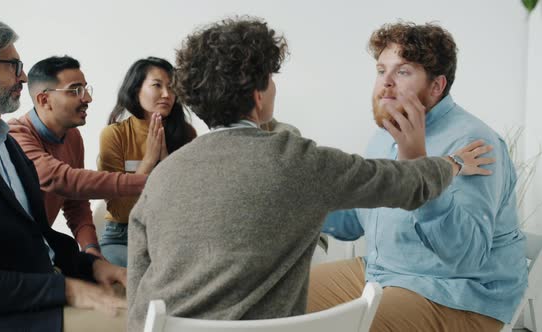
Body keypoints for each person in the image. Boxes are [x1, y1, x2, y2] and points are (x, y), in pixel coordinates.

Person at [125, 17, 494, 331]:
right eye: (270, 78)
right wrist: (453, 163)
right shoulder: (295, 159)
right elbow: (406, 182)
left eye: (401, 72)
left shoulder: (163, 175)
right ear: (258, 95)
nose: (386, 83)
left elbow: (138, 284)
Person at [309, 22, 528, 332]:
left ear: (437, 86)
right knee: (277, 298)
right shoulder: (384, 136)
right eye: (381, 70)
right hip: (381, 274)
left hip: (455, 295)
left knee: (342, 328)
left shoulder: (475, 142)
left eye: (402, 72)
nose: (386, 83)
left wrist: (419, 169)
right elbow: (358, 219)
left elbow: (466, 257)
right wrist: (299, 200)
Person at [0, 15, 126, 332]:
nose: (23, 77)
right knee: (146, 322)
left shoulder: (4, 141)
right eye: (13, 66)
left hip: (47, 294)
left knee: (150, 303)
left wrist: (92, 266)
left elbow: (40, 238)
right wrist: (70, 290)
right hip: (16, 318)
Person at [9, 56, 149, 258]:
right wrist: (149, 182)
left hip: (41, 251)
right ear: (44, 100)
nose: (87, 99)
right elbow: (62, 179)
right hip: (12, 259)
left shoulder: (72, 136)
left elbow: (76, 202)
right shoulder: (16, 136)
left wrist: (91, 248)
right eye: (75, 91)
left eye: (85, 89)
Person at [98, 57, 196, 266]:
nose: (166, 94)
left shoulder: (186, 134)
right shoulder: (114, 135)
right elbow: (120, 210)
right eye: (157, 85)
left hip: (170, 235)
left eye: (171, 87)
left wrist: (166, 162)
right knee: (141, 270)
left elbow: (187, 204)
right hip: (121, 236)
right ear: (135, 90)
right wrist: (149, 161)